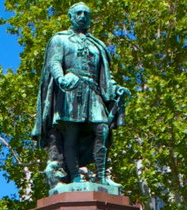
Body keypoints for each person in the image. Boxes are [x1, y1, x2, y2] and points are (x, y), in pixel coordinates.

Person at [32, 2, 130, 188]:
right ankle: (75, 176)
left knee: (102, 129)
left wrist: (116, 89)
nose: (83, 16)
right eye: (78, 13)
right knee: (71, 136)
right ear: (71, 16)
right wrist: (61, 78)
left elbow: (105, 76)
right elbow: (54, 63)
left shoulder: (97, 45)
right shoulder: (60, 39)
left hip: (93, 91)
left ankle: (101, 177)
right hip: (71, 92)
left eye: (86, 13)